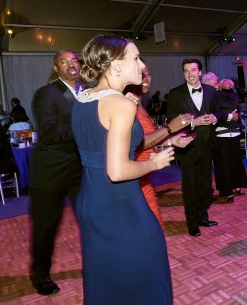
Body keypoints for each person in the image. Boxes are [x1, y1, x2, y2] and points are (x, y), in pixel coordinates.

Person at [71, 35, 174, 304]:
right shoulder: (121, 105)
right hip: (120, 205)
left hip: (90, 201)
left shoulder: (83, 98)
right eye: (136, 58)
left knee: (107, 277)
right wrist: (154, 163)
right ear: (116, 65)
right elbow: (116, 171)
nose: (141, 64)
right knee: (147, 272)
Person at [29, 50, 83, 295]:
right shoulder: (46, 94)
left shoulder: (89, 93)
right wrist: (89, 128)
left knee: (90, 218)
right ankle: (40, 275)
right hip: (50, 172)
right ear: (56, 68)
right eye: (64, 61)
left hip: (80, 171)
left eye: (74, 60)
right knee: (46, 227)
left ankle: (97, 264)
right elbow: (49, 133)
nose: (71, 64)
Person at [166, 59, 234, 237]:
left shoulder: (211, 90)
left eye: (193, 70)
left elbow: (219, 111)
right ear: (183, 74)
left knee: (205, 185)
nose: (190, 74)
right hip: (187, 147)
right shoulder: (175, 94)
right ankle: (192, 222)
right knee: (190, 187)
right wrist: (193, 123)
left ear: (200, 72)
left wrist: (215, 116)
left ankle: (203, 216)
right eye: (186, 71)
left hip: (208, 145)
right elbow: (171, 123)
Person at [125, 65, 194, 227]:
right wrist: (169, 128)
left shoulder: (140, 104)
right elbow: (134, 142)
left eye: (148, 74)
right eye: (140, 74)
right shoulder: (127, 105)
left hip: (144, 176)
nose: (145, 78)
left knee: (153, 228)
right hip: (132, 177)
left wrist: (171, 140)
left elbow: (149, 140)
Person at [212, 79, 247, 203]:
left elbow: (216, 114)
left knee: (224, 164)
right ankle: (237, 186)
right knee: (235, 161)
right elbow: (237, 114)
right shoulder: (235, 97)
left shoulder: (216, 96)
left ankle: (228, 193)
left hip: (222, 133)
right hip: (234, 131)